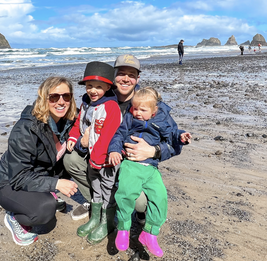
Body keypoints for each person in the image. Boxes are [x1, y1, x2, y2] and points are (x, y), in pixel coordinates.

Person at [64, 54, 182, 225]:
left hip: (131, 165)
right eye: (121, 73)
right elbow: (80, 126)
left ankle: (127, 207)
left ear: (137, 78)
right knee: (71, 159)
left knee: (139, 202)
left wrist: (154, 151)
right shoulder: (97, 97)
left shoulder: (151, 104)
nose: (126, 79)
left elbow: (175, 143)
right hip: (101, 158)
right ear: (113, 76)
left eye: (131, 75)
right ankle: (97, 203)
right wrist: (82, 142)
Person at [0, 76, 79, 246]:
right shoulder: (27, 128)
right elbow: (19, 176)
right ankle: (14, 217)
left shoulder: (67, 122)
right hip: (10, 183)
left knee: (76, 159)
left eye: (66, 96)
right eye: (54, 97)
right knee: (44, 211)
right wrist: (56, 184)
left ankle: (44, 194)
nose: (61, 102)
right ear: (43, 98)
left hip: (37, 175)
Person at [109, 87, 191, 257]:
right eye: (135, 108)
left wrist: (181, 136)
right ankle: (123, 228)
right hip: (131, 165)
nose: (137, 113)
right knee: (125, 194)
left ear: (154, 111)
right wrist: (115, 150)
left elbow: (172, 135)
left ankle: (150, 233)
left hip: (151, 167)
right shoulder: (130, 118)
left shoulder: (162, 119)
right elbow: (118, 134)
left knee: (160, 197)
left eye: (143, 110)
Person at [67, 61, 122, 244]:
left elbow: (108, 135)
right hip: (93, 159)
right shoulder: (86, 103)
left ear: (108, 87)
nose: (93, 91)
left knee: (108, 189)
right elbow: (78, 124)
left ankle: (107, 222)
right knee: (95, 187)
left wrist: (98, 158)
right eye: (89, 86)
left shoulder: (111, 107)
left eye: (99, 87)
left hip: (106, 160)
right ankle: (95, 218)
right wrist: (73, 138)